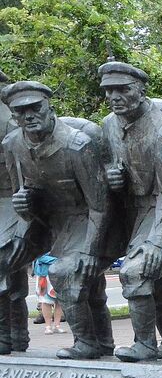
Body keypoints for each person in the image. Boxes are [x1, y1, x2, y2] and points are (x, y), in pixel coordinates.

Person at [2, 80, 115, 359]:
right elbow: (22, 196)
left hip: (83, 219)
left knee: (67, 272)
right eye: (20, 111)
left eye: (35, 108)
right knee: (3, 258)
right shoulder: (13, 144)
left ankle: (89, 343)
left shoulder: (77, 145)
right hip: (45, 221)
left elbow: (100, 207)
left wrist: (91, 251)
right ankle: (9, 337)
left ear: (49, 107)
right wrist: (24, 203)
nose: (29, 116)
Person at [100, 61, 162, 362]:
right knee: (156, 282)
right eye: (109, 91)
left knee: (135, 273)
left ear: (141, 90)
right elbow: (108, 166)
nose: (114, 97)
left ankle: (145, 344)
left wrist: (158, 243)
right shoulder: (109, 125)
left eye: (122, 89)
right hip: (137, 214)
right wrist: (112, 176)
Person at [0, 69, 31, 355]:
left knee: (5, 262)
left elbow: (22, 175)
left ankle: (11, 336)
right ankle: (14, 336)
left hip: (11, 199)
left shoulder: (8, 120)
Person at [33, 254, 64, 334]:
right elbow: (40, 256)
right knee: (46, 301)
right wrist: (58, 261)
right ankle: (48, 326)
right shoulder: (43, 243)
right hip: (44, 274)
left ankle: (57, 325)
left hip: (59, 273)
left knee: (59, 301)